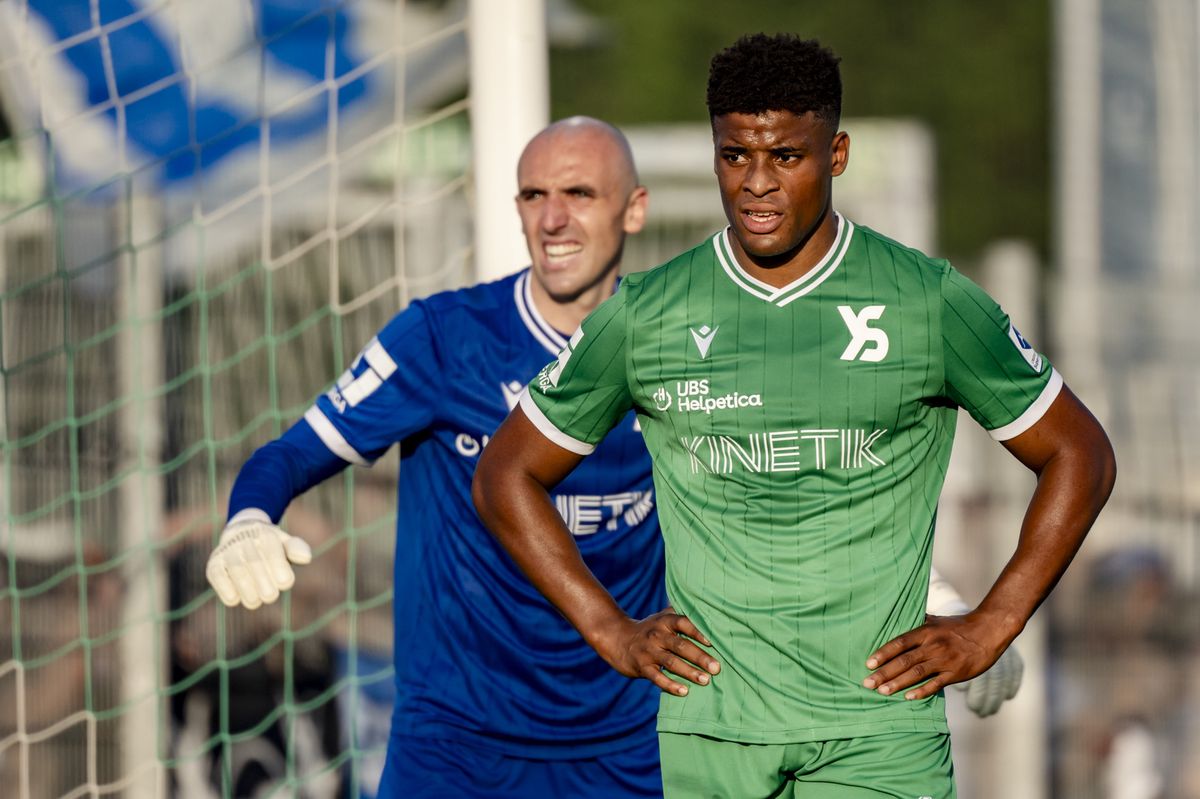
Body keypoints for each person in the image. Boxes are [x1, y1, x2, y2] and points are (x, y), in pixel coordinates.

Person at [472, 34, 1116, 799]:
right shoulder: (645, 315)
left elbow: (1080, 452)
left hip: (879, 730)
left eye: (785, 156)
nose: (757, 183)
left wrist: (991, 621)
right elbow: (505, 474)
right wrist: (609, 626)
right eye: (736, 154)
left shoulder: (926, 301)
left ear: (835, 155)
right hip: (712, 730)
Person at [205, 116, 665, 798]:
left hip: (629, 742)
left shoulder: (680, 348)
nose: (554, 218)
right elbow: (294, 452)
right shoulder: (443, 337)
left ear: (634, 208)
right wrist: (247, 515)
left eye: (580, 193)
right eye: (535, 196)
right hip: (455, 747)